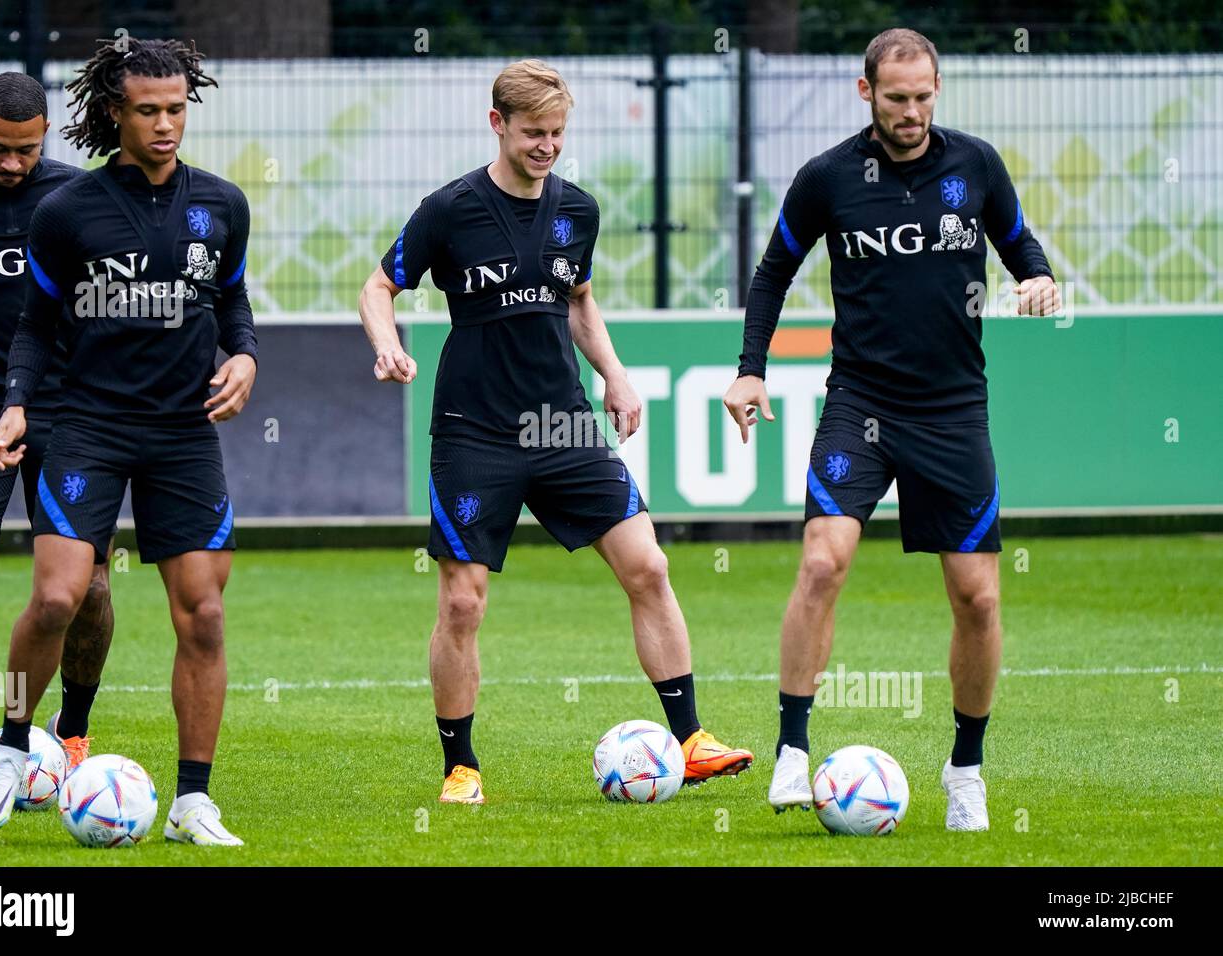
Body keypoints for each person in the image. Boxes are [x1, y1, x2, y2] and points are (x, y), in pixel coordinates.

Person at [359, 59, 753, 805]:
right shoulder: (449, 210)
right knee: (463, 602)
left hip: (563, 424)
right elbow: (379, 286)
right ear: (497, 123)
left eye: (558, 133)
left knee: (649, 566)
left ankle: (691, 738)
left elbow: (577, 300)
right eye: (534, 132)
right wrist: (387, 342)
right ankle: (461, 767)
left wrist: (615, 373)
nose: (547, 146)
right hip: (473, 431)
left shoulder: (579, 210)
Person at [724, 28, 1061, 830]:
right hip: (861, 406)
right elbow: (775, 270)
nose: (911, 113)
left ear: (937, 90)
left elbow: (1019, 245)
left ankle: (966, 769)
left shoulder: (974, 165)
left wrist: (1041, 278)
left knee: (977, 598)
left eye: (923, 97)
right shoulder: (828, 178)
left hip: (952, 412)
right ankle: (794, 750)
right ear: (864, 91)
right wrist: (750, 368)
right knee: (822, 560)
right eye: (895, 97)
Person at [0, 40, 257, 846]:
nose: (166, 124)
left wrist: (245, 358)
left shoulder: (224, 204)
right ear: (114, 115)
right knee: (59, 597)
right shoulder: (66, 212)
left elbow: (233, 307)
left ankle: (193, 801)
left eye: (177, 109)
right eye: (148, 110)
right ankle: (16, 749)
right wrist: (16, 405)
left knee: (202, 615)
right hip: (87, 428)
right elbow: (34, 324)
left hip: (184, 437)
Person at [0, 74, 116, 803]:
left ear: (47, 137)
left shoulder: (75, 200)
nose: (12, 165)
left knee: (86, 585)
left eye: (26, 150)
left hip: (70, 412)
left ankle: (72, 731)